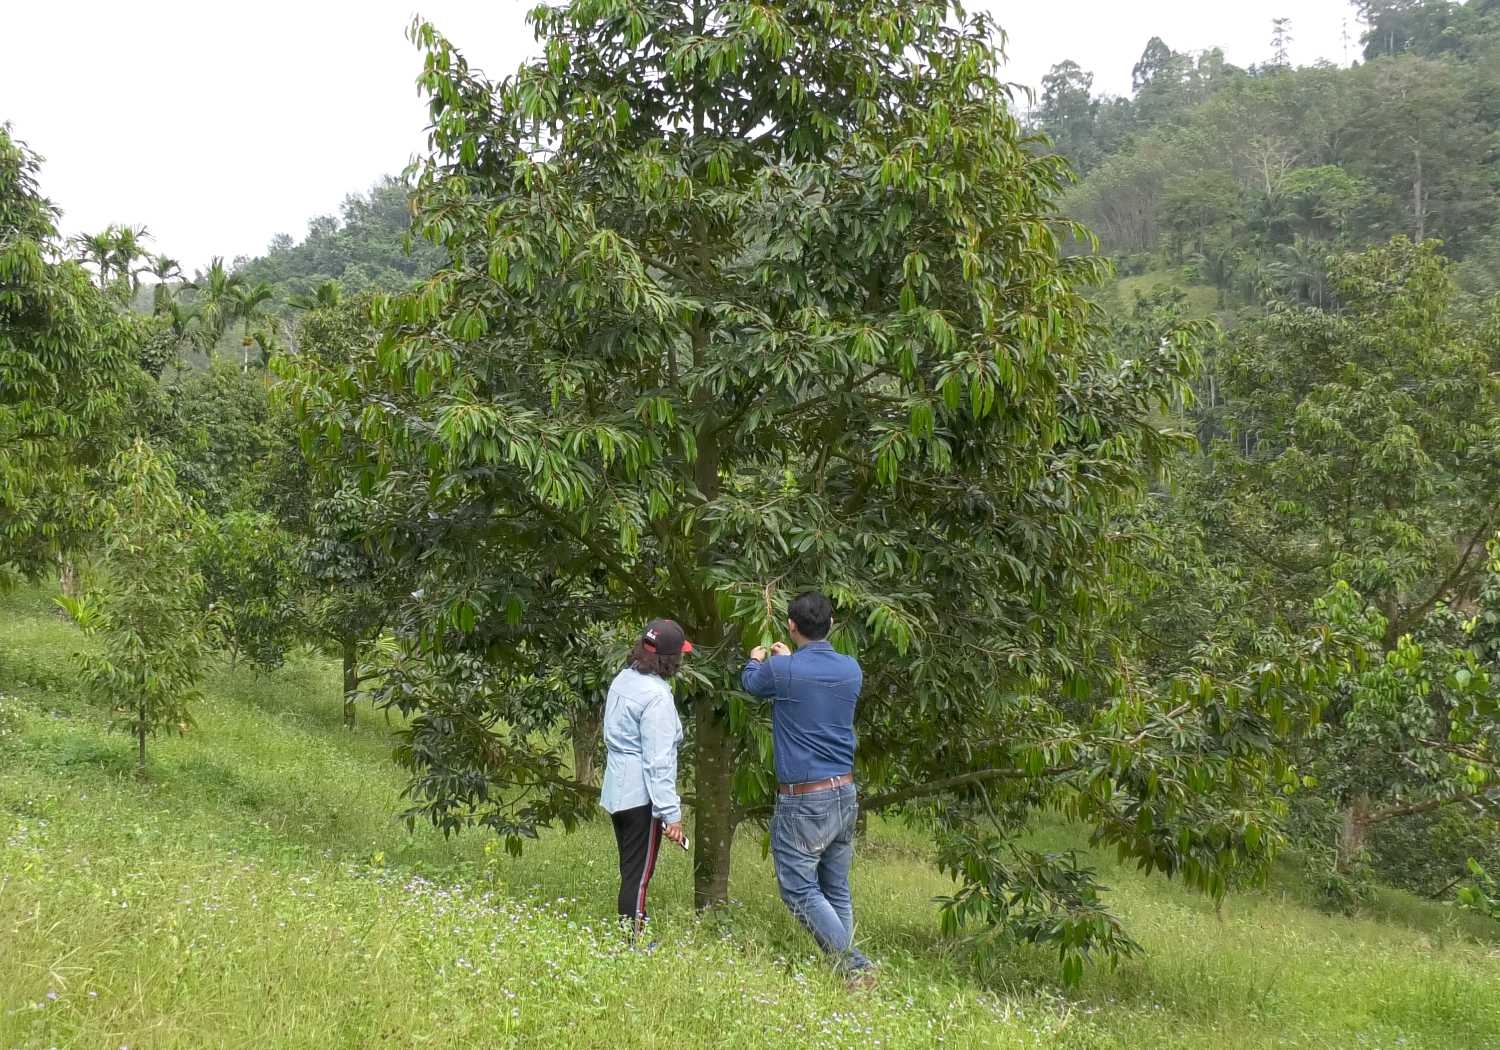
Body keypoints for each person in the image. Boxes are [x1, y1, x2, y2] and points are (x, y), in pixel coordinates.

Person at [741, 591, 874, 980]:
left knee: (798, 889)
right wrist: (788, 663)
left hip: (805, 799)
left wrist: (757, 658)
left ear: (791, 626)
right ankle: (847, 976)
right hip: (844, 792)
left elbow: (752, 684)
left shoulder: (783, 671)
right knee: (836, 887)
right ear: (831, 624)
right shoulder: (851, 668)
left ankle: (856, 966)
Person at [599, 618, 690, 938]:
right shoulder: (658, 697)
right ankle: (632, 942)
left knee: (630, 870)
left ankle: (633, 934)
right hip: (641, 794)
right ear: (670, 659)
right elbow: (658, 761)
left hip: (616, 787)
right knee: (638, 877)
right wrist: (671, 814)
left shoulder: (624, 679)